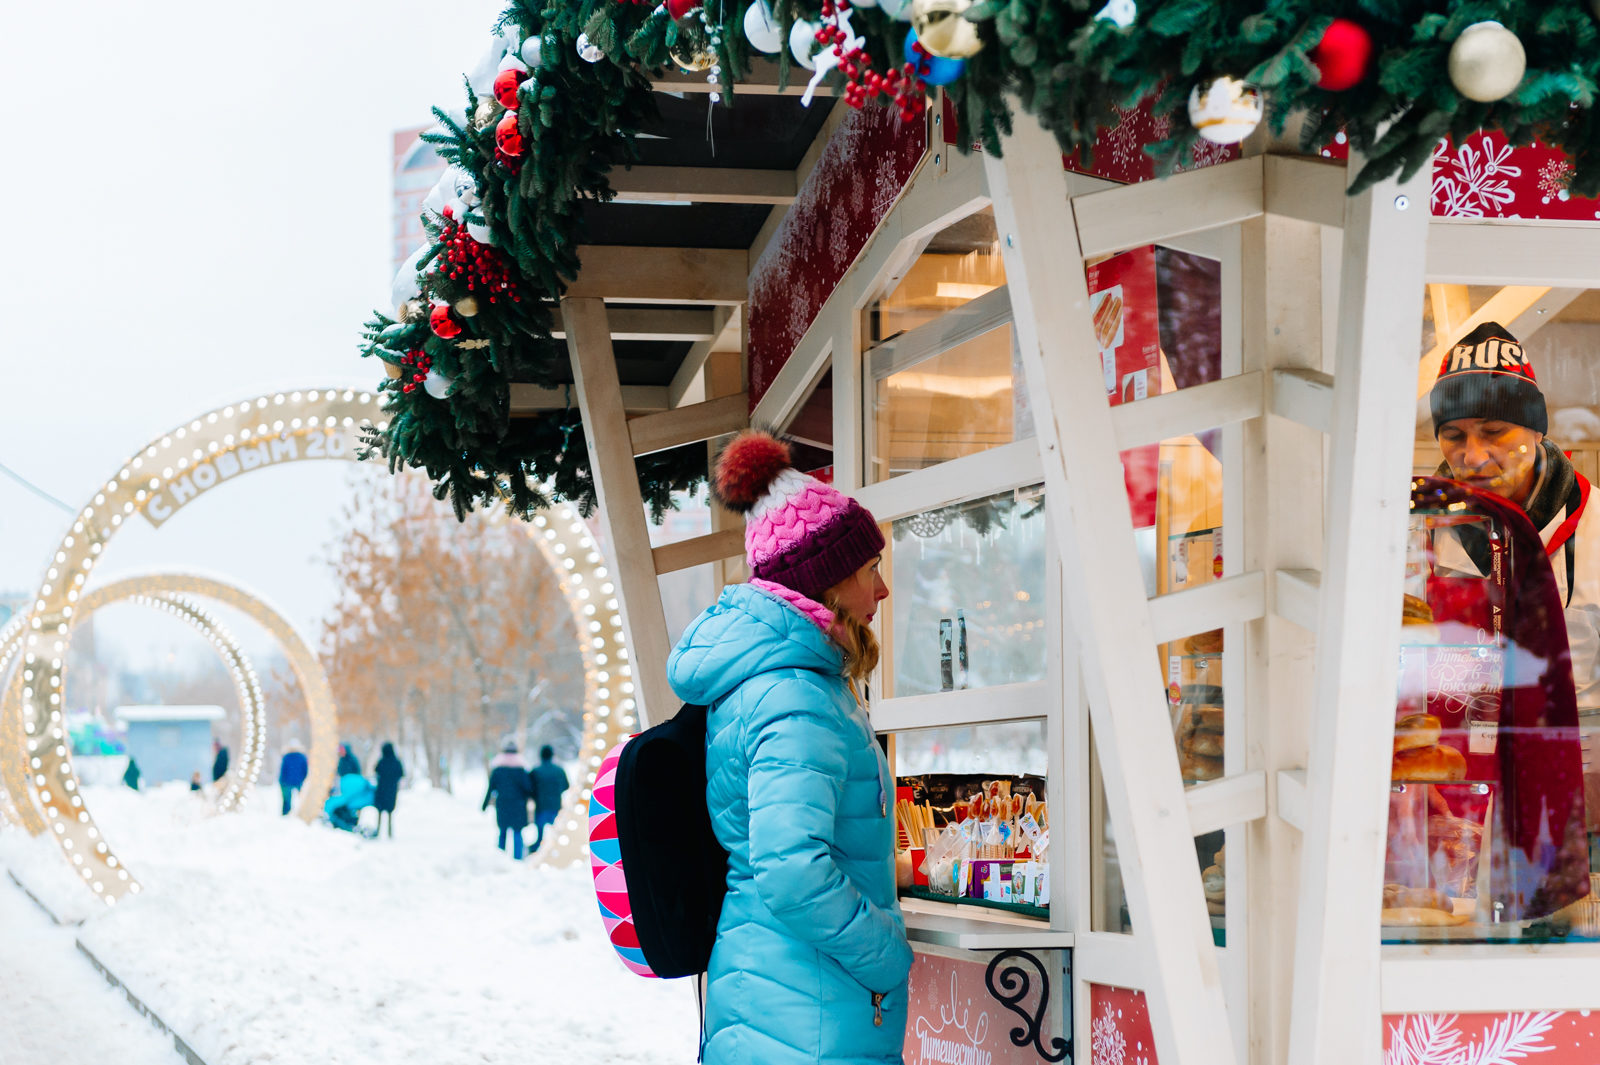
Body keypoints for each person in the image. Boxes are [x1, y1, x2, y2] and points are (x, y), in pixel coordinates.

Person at [665, 431, 911, 1065]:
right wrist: (885, 954)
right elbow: (792, 869)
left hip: (780, 998)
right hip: (809, 1013)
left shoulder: (780, 683)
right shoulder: (795, 697)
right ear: (829, 581)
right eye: (870, 570)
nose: (882, 590)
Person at [1427, 321, 1594, 915]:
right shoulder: (1415, 531)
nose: (1473, 456)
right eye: (1454, 436)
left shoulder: (1597, 527)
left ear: (1536, 429)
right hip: (1451, 802)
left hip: (1581, 810)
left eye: (1495, 432)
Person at [482, 741, 533, 859]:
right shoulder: (521, 770)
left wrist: (484, 805)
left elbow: (491, 789)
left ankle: (501, 858)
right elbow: (528, 788)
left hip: (503, 805)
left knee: (502, 833)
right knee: (517, 833)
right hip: (518, 806)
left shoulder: (498, 770)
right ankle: (518, 859)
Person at [527, 744, 568, 852]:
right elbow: (566, 785)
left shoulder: (535, 771)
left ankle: (537, 850)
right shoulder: (559, 770)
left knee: (540, 832)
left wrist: (536, 796)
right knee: (555, 831)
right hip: (556, 805)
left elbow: (530, 789)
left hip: (541, 806)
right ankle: (555, 851)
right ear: (552, 755)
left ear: (541, 755)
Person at [373, 742, 404, 839]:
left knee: (380, 811)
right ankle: (390, 832)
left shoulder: (382, 761)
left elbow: (376, 770)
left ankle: (378, 830)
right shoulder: (396, 762)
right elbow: (401, 773)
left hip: (381, 789)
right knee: (390, 811)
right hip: (392, 790)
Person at [278, 743, 308, 816]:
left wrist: (281, 781)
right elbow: (305, 770)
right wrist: (303, 779)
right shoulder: (302, 757)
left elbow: (283, 770)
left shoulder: (286, 756)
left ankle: (286, 813)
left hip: (286, 781)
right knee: (303, 798)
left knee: (286, 799)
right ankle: (303, 813)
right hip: (299, 781)